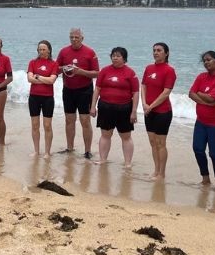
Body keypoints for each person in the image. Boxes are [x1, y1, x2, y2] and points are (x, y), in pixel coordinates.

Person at [189, 51, 215, 189]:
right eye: (204, 61)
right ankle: (205, 179)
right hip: (201, 121)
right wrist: (206, 102)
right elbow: (191, 93)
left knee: (214, 153)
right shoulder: (201, 76)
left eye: (209, 60)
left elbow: (211, 97)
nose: (206, 62)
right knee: (198, 149)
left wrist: (201, 95)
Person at [90, 47, 139, 167]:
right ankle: (103, 159)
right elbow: (97, 89)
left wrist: (134, 111)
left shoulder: (131, 73)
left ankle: (127, 163)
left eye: (118, 56)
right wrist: (92, 106)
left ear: (124, 58)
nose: (115, 58)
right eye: (113, 55)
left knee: (126, 136)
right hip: (105, 107)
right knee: (105, 135)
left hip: (124, 108)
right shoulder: (104, 71)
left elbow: (136, 93)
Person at [56, 28, 99, 159]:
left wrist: (81, 72)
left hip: (85, 90)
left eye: (76, 37)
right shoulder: (64, 51)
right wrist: (64, 68)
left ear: (82, 38)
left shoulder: (90, 52)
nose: (74, 39)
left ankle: (87, 151)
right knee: (69, 120)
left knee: (85, 121)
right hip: (68, 90)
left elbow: (97, 73)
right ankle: (69, 148)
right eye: (72, 37)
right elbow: (55, 69)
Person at [141, 42, 176, 179]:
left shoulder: (169, 70)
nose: (156, 52)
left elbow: (166, 92)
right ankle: (155, 170)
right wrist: (144, 103)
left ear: (166, 53)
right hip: (148, 111)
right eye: (154, 50)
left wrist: (151, 106)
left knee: (161, 143)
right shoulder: (149, 68)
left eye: (159, 50)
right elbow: (143, 85)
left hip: (163, 112)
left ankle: (162, 173)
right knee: (152, 142)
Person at [27, 40, 59, 158]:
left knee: (47, 125)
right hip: (34, 97)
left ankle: (47, 152)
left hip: (48, 98)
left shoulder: (54, 64)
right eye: (40, 49)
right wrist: (44, 79)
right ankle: (36, 151)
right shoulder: (33, 62)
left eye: (44, 49)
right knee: (35, 125)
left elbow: (51, 81)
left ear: (49, 50)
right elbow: (29, 79)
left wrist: (38, 76)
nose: (41, 51)